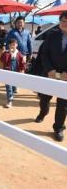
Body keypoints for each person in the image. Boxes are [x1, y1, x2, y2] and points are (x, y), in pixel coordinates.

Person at [35, 11, 67, 142]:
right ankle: (43, 112)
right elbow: (44, 54)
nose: (65, 23)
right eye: (63, 21)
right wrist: (49, 69)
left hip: (66, 77)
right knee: (44, 98)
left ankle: (59, 127)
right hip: (49, 74)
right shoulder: (51, 35)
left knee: (63, 104)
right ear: (59, 22)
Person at [0, 39, 25, 108]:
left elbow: (22, 64)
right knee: (8, 86)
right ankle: (9, 100)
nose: (13, 46)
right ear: (9, 45)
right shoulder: (6, 53)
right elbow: (2, 62)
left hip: (15, 72)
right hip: (7, 72)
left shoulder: (19, 54)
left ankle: (14, 89)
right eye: (11, 44)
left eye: (14, 44)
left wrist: (22, 71)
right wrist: (1, 70)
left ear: (17, 45)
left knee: (13, 85)